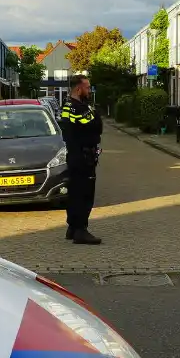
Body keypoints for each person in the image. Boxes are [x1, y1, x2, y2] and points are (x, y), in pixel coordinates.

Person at [59, 75, 102, 245]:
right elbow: (96, 125)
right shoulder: (79, 108)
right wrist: (95, 116)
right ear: (79, 89)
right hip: (83, 156)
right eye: (87, 87)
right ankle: (80, 230)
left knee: (75, 191)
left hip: (75, 154)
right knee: (84, 194)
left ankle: (72, 227)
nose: (89, 90)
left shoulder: (68, 106)